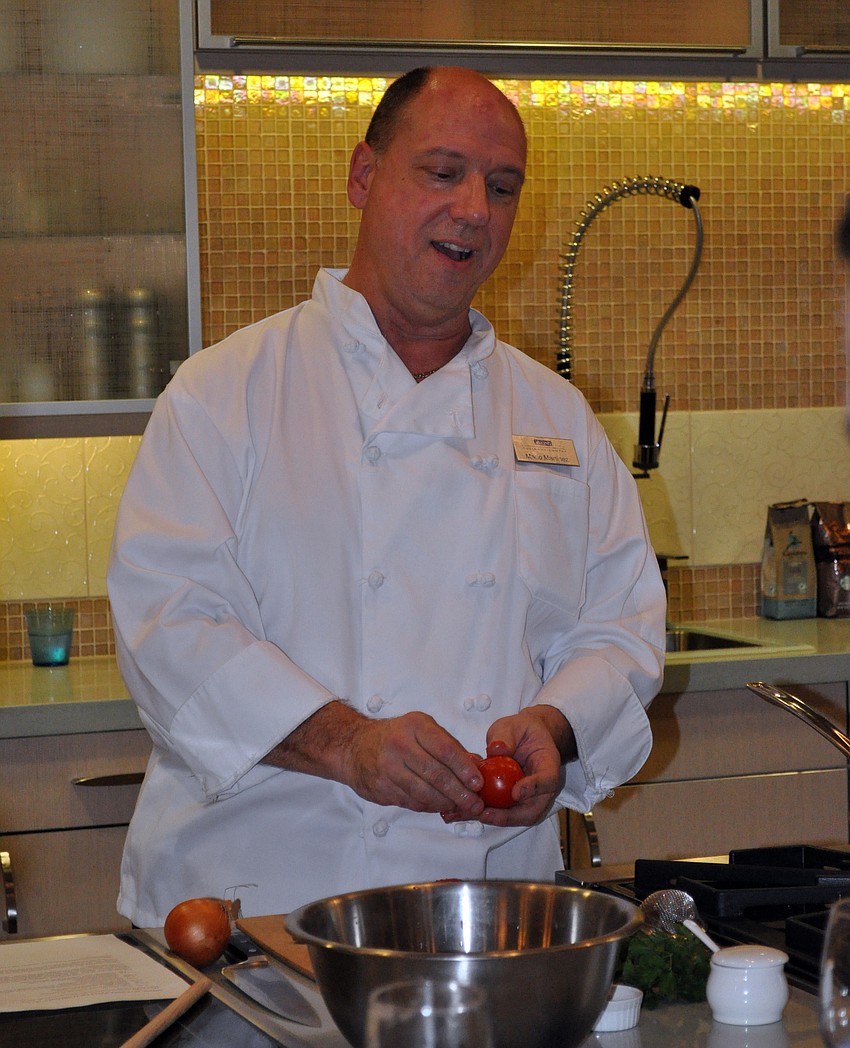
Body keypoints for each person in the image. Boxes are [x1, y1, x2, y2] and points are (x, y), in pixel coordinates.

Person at [107, 66, 666, 924]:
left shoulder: (557, 416)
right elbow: (168, 627)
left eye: (502, 185)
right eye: (443, 172)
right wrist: (349, 744)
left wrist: (554, 730)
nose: (475, 208)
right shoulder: (226, 393)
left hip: (488, 913)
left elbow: (621, 629)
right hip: (256, 911)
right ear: (363, 177)